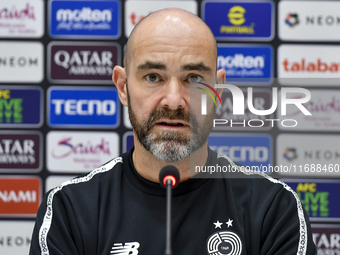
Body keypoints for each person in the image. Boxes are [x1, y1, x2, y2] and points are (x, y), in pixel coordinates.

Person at [30, 8, 316, 255]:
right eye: (153, 77)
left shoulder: (272, 208)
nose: (174, 100)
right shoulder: (71, 209)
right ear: (122, 86)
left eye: (193, 78)